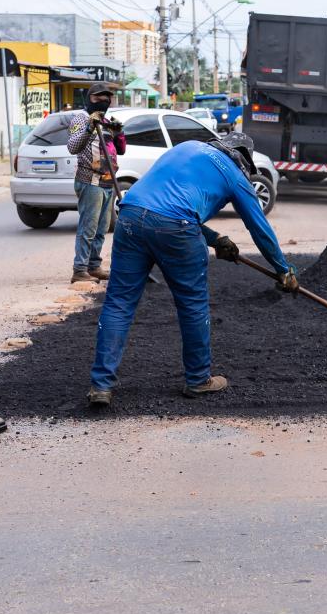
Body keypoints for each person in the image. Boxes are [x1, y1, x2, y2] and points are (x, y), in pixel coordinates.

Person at [87, 132, 296, 408]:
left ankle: (101, 386)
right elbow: (259, 227)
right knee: (192, 304)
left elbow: (161, 202)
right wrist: (283, 269)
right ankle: (198, 379)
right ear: (242, 160)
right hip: (177, 228)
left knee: (118, 303)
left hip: (130, 215)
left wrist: (216, 239)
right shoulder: (233, 173)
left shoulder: (185, 148)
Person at [64, 85, 124, 284]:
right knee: (88, 228)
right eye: (99, 98)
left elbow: (121, 150)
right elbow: (73, 147)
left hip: (108, 182)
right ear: (90, 98)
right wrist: (90, 127)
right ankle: (79, 269)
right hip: (90, 181)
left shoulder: (106, 121)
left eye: (107, 98)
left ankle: (94, 266)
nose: (104, 101)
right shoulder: (81, 119)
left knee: (102, 228)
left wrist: (119, 133)